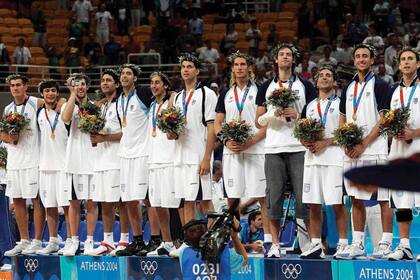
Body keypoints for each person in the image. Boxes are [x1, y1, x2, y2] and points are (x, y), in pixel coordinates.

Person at [255, 43, 317, 258]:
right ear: (276, 60)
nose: (285, 58)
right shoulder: (265, 87)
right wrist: (274, 114)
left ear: (293, 60)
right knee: (274, 198)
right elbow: (258, 122)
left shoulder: (306, 86)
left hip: (299, 147)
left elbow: (315, 118)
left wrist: (298, 116)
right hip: (273, 148)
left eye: (289, 55)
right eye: (281, 54)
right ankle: (274, 244)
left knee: (304, 197)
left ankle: (308, 244)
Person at [335, 44, 394, 260]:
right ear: (354, 60)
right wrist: (345, 142)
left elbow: (384, 119)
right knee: (355, 198)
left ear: (372, 60)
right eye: (358, 56)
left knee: (382, 198)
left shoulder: (380, 85)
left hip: (374, 149)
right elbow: (342, 117)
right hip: (352, 152)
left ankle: (385, 244)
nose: (361, 59)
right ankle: (358, 243)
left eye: (365, 56)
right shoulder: (349, 88)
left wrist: (364, 144)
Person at [214, 51, 270, 247]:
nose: (239, 67)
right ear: (232, 69)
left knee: (263, 196)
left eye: (243, 64)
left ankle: (270, 240)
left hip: (255, 149)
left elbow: (266, 123)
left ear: (249, 68)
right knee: (233, 198)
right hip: (231, 151)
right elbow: (217, 122)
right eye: (236, 64)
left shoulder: (261, 91)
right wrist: (226, 140)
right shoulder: (226, 93)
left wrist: (250, 142)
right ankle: (233, 239)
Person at [168, 53, 217, 257]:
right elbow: (178, 128)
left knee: (204, 200)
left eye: (190, 66)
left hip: (198, 155)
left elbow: (212, 128)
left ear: (197, 71)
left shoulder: (206, 94)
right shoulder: (178, 97)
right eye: (183, 67)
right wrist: (172, 132)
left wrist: (206, 158)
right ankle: (190, 242)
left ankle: (214, 239)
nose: (185, 69)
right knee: (186, 201)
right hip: (180, 155)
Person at [299, 66, 348, 259]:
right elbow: (300, 133)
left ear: (334, 82)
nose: (324, 78)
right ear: (316, 81)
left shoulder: (341, 104)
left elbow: (345, 132)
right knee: (313, 204)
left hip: (334, 159)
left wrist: (325, 143)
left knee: (336, 203)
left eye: (328, 75)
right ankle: (315, 245)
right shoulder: (309, 106)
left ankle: (343, 244)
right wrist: (307, 142)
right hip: (312, 159)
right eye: (321, 75)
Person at [2, 74, 45, 256]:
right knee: (18, 200)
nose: (15, 88)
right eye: (12, 85)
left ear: (26, 86)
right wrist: (10, 137)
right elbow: (3, 134)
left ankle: (37, 240)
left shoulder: (36, 102)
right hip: (14, 161)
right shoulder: (8, 108)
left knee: (36, 201)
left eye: (19, 85)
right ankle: (24, 240)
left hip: (33, 160)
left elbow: (58, 102)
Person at [86, 69, 127, 256]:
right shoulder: (99, 107)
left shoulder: (122, 104)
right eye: (102, 80)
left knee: (121, 202)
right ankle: (108, 240)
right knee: (105, 203)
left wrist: (105, 138)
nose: (105, 83)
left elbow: (127, 133)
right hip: (100, 159)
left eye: (109, 80)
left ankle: (124, 240)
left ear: (117, 84)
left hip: (117, 158)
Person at [115, 64, 154, 256]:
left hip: (143, 153)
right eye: (122, 74)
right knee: (129, 199)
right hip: (125, 154)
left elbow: (164, 98)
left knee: (147, 199)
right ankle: (138, 240)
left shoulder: (143, 93)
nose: (124, 76)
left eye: (128, 74)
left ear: (135, 78)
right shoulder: (119, 99)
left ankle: (155, 239)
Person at [385, 48, 419, 261]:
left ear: (418, 64)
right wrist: (393, 132)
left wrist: (413, 133)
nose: (406, 63)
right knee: (402, 199)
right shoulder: (393, 92)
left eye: (410, 59)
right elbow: (386, 121)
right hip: (398, 151)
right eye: (403, 60)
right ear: (398, 65)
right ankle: (405, 246)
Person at [61, 73, 98, 256]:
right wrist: (72, 94)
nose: (80, 87)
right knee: (74, 203)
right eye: (77, 84)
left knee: (91, 203)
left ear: (88, 87)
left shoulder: (94, 107)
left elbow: (95, 129)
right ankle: (74, 240)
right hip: (73, 161)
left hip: (91, 160)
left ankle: (89, 241)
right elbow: (66, 119)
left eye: (83, 84)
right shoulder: (69, 105)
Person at [145, 72, 181, 256]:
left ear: (165, 86)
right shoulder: (151, 106)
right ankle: (166, 241)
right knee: (157, 203)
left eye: (158, 83)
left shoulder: (171, 103)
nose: (154, 86)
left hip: (169, 159)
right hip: (153, 160)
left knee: (173, 204)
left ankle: (180, 242)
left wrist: (173, 96)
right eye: (152, 83)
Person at [35, 80, 69, 255]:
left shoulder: (64, 109)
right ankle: (53, 240)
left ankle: (71, 239)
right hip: (45, 166)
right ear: (42, 94)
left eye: (54, 90)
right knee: (49, 206)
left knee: (67, 205)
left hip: (63, 165)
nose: (50, 94)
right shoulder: (39, 112)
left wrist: (63, 100)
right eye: (47, 91)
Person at [179, 219, 247, 279]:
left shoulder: (183, 254)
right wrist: (234, 236)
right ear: (207, 234)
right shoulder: (227, 254)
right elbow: (244, 260)